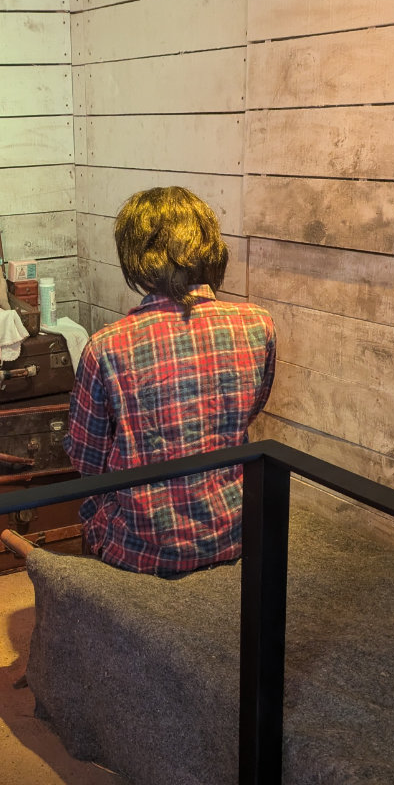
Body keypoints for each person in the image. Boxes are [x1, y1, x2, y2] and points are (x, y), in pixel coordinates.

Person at [65, 186, 276, 575]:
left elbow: (86, 457)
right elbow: (249, 410)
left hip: (140, 545)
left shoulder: (107, 346)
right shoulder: (258, 325)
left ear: (136, 259)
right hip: (234, 531)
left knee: (94, 503)